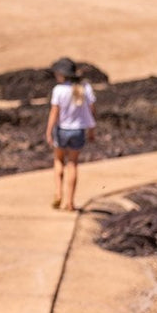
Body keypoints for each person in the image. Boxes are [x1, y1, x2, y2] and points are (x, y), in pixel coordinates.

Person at [45, 57, 97, 211]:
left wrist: (49, 131)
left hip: (62, 130)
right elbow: (91, 111)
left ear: (62, 74)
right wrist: (91, 130)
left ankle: (58, 193)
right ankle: (70, 202)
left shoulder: (59, 90)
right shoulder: (85, 88)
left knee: (58, 160)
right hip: (78, 130)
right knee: (72, 164)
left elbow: (54, 112)